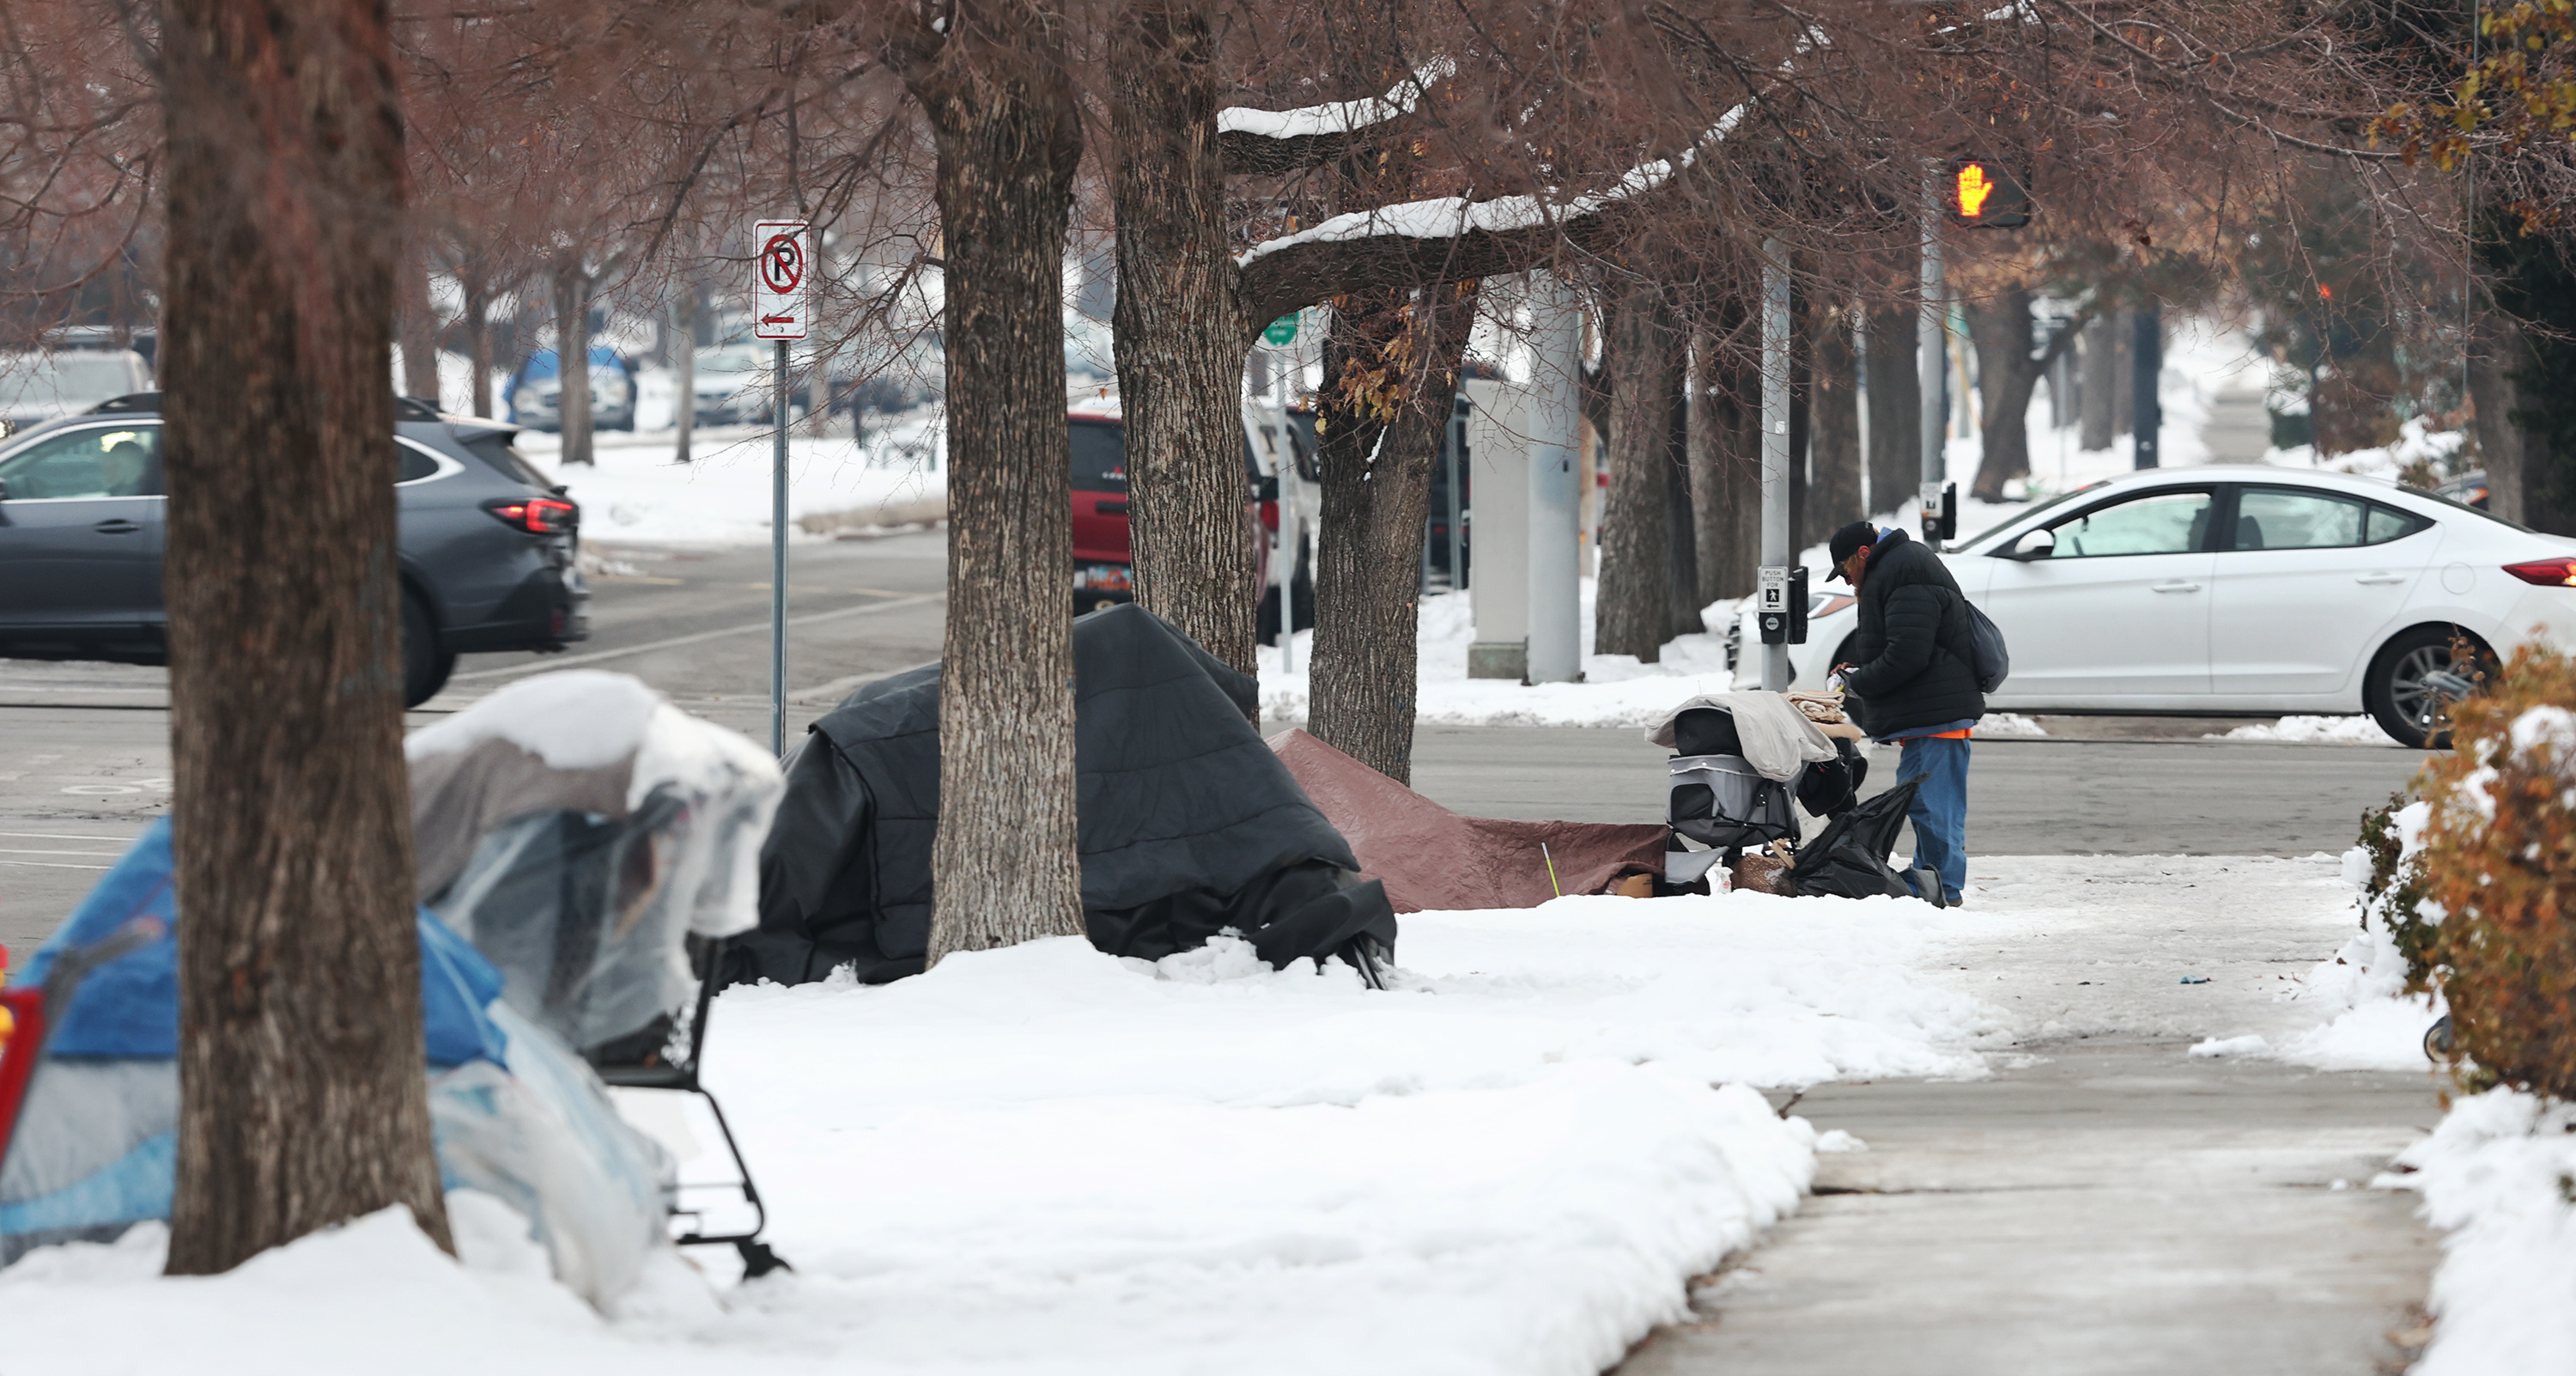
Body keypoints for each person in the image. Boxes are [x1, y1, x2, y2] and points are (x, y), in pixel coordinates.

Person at [1826, 519, 1983, 906]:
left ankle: (1943, 887)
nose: (1847, 580)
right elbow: (1905, 642)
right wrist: (1858, 671)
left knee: (1931, 806)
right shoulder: (1897, 567)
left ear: (1863, 553)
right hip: (1930, 711)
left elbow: (1907, 655)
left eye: (1845, 570)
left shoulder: (1902, 571)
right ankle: (1933, 880)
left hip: (1936, 714)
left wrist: (1859, 682)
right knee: (1927, 803)